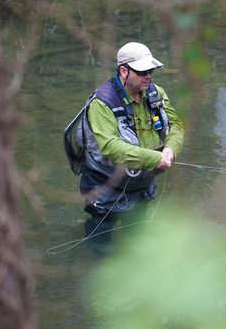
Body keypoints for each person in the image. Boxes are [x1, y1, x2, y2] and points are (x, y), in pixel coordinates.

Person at [79, 41, 184, 253]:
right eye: (142, 71)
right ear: (123, 70)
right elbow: (110, 147)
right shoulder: (102, 103)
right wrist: (154, 159)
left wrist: (170, 149)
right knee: (102, 249)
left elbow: (176, 125)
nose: (149, 75)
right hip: (105, 187)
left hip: (142, 185)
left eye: (151, 70)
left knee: (136, 243)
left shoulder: (157, 93)